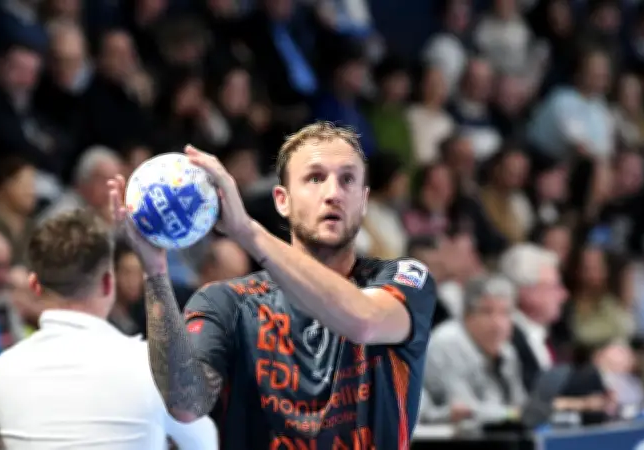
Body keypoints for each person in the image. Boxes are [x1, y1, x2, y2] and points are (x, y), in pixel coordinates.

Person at [109, 121, 438, 449]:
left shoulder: (405, 279)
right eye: (315, 178)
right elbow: (185, 404)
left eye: (347, 179)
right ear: (282, 200)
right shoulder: (226, 302)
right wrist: (154, 271)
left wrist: (248, 232)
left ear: (364, 201)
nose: (333, 193)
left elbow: (364, 322)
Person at [0, 210, 217, 450]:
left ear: (34, 285)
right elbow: (205, 444)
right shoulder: (149, 365)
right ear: (109, 283)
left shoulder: (4, 368)